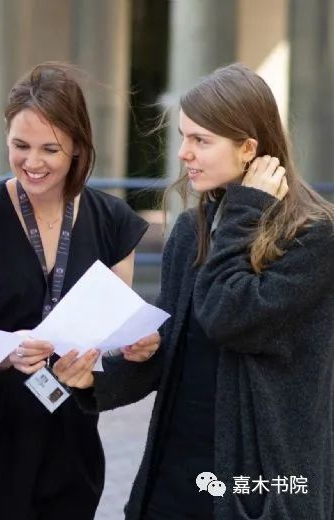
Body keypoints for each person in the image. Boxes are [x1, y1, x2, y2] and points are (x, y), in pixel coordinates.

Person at [57, 63, 334, 519]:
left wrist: (247, 209)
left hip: (258, 489)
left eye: (201, 140)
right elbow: (171, 350)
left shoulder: (312, 236)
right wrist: (99, 376)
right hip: (175, 476)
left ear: (249, 148)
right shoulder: (192, 229)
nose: (184, 153)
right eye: (184, 136)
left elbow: (230, 318)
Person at [0, 62, 151, 520]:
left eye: (50, 149)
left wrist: (131, 347)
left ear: (77, 148)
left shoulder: (114, 224)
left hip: (71, 437)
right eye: (20, 146)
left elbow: (108, 344)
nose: (33, 163)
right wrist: (7, 352)